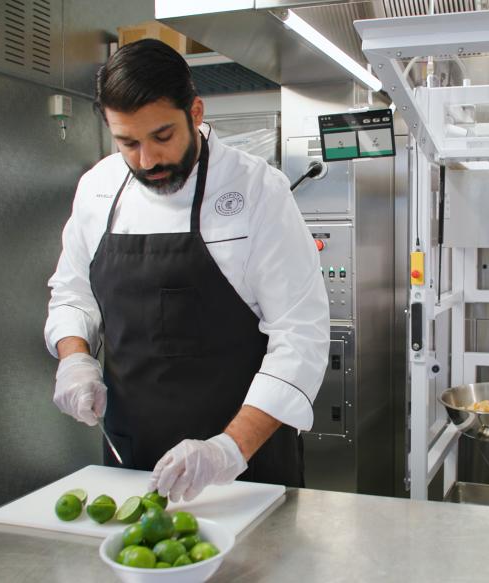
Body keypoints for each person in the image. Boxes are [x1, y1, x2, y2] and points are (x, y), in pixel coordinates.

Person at [44, 39, 329, 501]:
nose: (147, 160)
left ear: (195, 112)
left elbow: (301, 336)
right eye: (127, 143)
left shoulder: (259, 191)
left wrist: (228, 450)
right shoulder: (97, 188)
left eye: (161, 136)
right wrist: (74, 358)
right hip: (129, 461)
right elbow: (73, 294)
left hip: (243, 464)